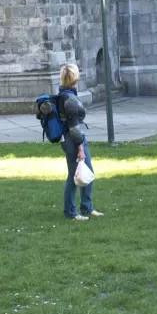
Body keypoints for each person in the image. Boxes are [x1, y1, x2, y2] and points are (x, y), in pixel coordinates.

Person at [58, 63, 103, 221]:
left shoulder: (66, 94)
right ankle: (71, 212)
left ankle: (86, 207)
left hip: (72, 139)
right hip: (73, 140)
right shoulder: (69, 99)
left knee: (87, 173)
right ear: (74, 77)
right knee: (74, 175)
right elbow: (74, 127)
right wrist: (80, 149)